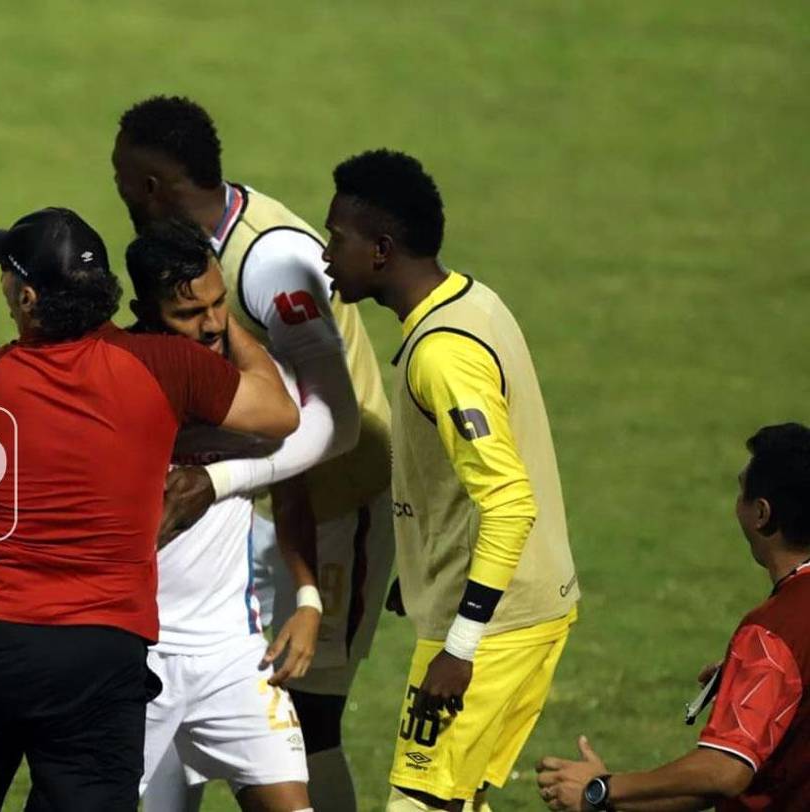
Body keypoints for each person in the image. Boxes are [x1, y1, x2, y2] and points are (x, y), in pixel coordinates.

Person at [0, 207, 298, 812]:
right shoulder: (167, 367)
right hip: (97, 655)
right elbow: (279, 415)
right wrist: (226, 325)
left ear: (26, 297)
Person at [113, 96, 395, 812]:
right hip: (259, 505)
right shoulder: (201, 259)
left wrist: (216, 480)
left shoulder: (268, 261)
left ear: (149, 184)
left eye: (120, 176)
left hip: (336, 502)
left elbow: (333, 427)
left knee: (313, 723)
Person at [321, 149, 580, 811]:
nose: (326, 254)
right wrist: (422, 570)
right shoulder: (474, 301)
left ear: (380, 250)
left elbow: (509, 501)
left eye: (338, 238)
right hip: (518, 601)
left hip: (495, 625)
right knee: (455, 801)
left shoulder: (442, 355)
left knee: (421, 803)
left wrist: (461, 646)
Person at [126, 218, 318, 812]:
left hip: (235, 655)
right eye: (189, 313)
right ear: (144, 309)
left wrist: (308, 598)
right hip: (136, 657)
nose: (210, 323)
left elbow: (291, 484)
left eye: (219, 303)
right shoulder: (120, 380)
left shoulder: (253, 386)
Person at [536, 423, 810, 811]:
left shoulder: (772, 634)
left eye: (740, 490)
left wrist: (602, 788)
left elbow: (724, 772)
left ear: (761, 513)